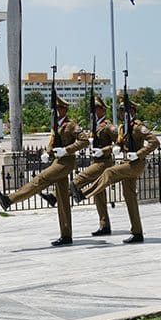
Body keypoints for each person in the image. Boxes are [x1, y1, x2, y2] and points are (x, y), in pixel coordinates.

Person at [0, 96, 89, 246]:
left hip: (66, 163)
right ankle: (66, 235)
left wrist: (66, 150)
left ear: (64, 110)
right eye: (54, 109)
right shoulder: (56, 125)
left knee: (40, 179)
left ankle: (9, 200)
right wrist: (48, 152)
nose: (56, 111)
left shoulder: (71, 125)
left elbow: (85, 141)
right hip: (58, 161)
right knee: (63, 200)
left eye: (58, 109)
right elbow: (53, 143)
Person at [74, 100, 160, 244]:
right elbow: (118, 143)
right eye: (120, 110)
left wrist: (139, 153)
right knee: (130, 198)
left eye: (123, 110)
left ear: (132, 111)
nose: (120, 113)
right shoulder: (123, 128)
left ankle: (84, 194)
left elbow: (155, 142)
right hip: (128, 163)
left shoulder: (138, 127)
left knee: (109, 172)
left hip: (136, 164)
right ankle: (137, 232)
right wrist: (113, 148)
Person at [69, 96, 117, 236]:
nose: (94, 111)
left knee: (79, 178)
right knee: (99, 196)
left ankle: (72, 193)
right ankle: (104, 226)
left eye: (96, 108)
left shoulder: (108, 126)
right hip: (96, 161)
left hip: (104, 162)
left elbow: (119, 143)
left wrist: (104, 150)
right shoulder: (94, 125)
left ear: (103, 110)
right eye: (93, 109)